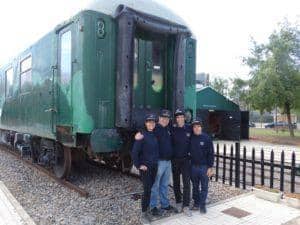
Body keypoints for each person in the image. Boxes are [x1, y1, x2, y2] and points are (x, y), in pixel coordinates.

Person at [135, 110, 176, 216]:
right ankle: (153, 206)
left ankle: (165, 204)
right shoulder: (155, 128)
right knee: (154, 185)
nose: (165, 120)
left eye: (167, 118)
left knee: (164, 185)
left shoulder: (168, 128)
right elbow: (145, 130)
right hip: (158, 162)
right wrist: (139, 133)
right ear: (159, 118)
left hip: (167, 162)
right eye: (163, 118)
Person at [131, 114, 159, 223]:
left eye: (153, 122)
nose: (151, 123)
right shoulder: (142, 135)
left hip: (154, 166)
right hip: (145, 168)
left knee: (149, 189)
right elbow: (134, 152)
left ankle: (147, 209)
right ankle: (143, 214)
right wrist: (138, 165)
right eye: (149, 122)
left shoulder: (155, 134)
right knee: (147, 190)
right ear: (146, 123)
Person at [190, 119, 214, 214]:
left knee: (204, 187)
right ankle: (196, 203)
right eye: (195, 127)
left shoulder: (207, 138)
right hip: (193, 167)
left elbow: (211, 154)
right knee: (195, 187)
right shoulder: (190, 137)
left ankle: (202, 205)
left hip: (204, 167)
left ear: (201, 127)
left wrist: (210, 167)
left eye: (198, 126)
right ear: (193, 128)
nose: (197, 128)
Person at [171, 109, 192, 216]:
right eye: (177, 117)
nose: (179, 119)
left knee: (187, 183)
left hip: (185, 160)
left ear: (184, 118)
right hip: (175, 160)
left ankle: (186, 205)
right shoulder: (173, 129)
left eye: (181, 117)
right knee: (176, 183)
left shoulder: (189, 128)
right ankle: (179, 202)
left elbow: (198, 136)